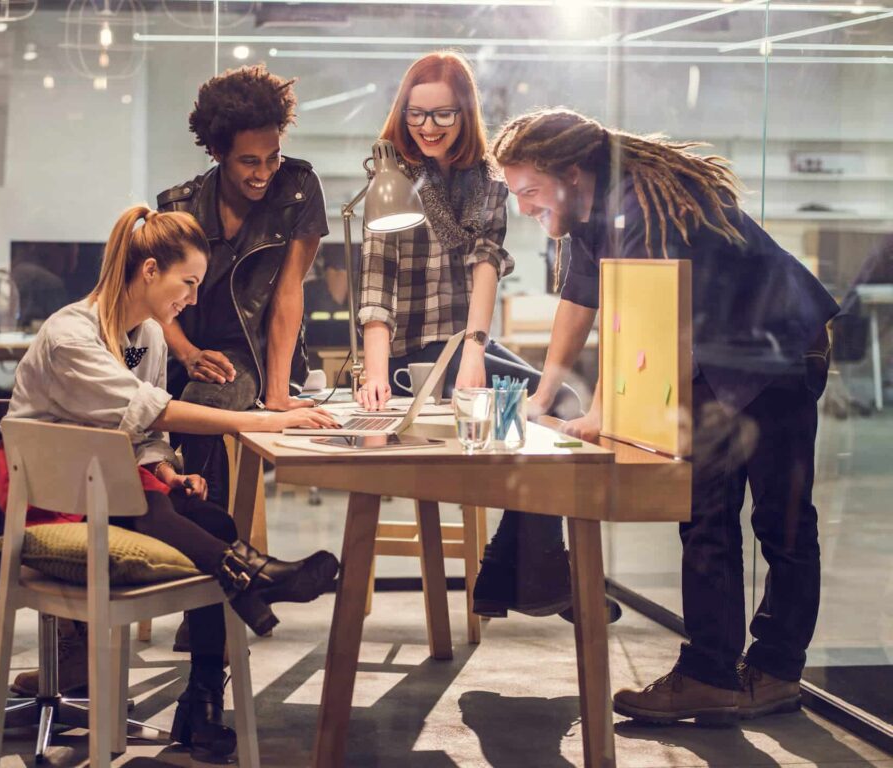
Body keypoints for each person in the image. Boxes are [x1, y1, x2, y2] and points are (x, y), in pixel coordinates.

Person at [492, 107, 838, 725]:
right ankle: (712, 673)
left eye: (529, 191)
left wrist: (602, 412)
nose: (524, 207)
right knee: (704, 512)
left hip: (779, 350)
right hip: (719, 354)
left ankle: (775, 670)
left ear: (571, 172)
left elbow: (645, 315)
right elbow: (580, 298)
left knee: (780, 520)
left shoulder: (637, 205)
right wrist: (543, 397)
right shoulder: (586, 212)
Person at [0, 205, 339, 762]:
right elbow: (157, 409)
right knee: (145, 499)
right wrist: (265, 417)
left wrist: (167, 469)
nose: (192, 300)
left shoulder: (147, 333)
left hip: (110, 482)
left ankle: (202, 699)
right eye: (188, 283)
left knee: (212, 517)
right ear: (150, 271)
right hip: (46, 493)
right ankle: (251, 577)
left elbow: (141, 430)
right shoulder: (71, 334)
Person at [356, 51, 596, 622]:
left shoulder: (489, 182)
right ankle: (526, 577)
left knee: (557, 402)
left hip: (462, 347)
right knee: (547, 405)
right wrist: (372, 372)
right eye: (416, 114)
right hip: (407, 360)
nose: (428, 128)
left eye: (443, 115)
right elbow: (376, 285)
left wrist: (474, 350)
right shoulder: (391, 180)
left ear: (465, 115)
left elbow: (486, 263)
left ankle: (515, 573)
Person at [156, 64, 329, 509]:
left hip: (251, 351)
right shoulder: (179, 207)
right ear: (216, 151)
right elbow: (154, 306)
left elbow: (289, 293)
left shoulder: (298, 189)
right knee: (126, 392)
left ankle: (212, 537)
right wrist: (187, 353)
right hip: (178, 349)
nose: (264, 171)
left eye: (272, 156)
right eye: (249, 161)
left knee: (207, 399)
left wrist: (277, 392)